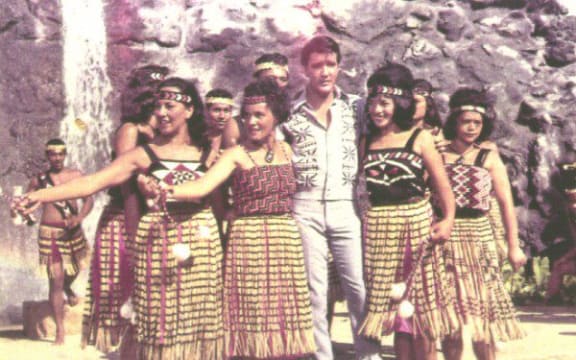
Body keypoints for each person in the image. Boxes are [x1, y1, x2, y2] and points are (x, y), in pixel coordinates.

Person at [12, 77, 225, 359]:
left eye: (169, 106)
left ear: (189, 111)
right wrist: (39, 196)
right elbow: (92, 183)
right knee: (157, 321)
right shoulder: (142, 155)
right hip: (158, 245)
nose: (161, 112)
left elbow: (220, 201)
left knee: (200, 323)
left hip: (202, 248)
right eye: (158, 106)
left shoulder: (206, 154)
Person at [163, 79, 315, 359]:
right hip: (248, 241)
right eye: (246, 115)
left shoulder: (290, 150)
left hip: (286, 241)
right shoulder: (235, 154)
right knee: (252, 314)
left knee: (285, 318)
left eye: (259, 115)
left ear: (277, 115)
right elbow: (202, 186)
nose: (251, 122)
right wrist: (167, 189)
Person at [279, 35, 381, 360]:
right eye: (317, 65)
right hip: (304, 206)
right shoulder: (289, 112)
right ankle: (321, 356)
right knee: (314, 289)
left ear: (339, 66)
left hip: (345, 204)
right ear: (304, 69)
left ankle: (368, 353)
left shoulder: (356, 106)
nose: (325, 72)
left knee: (358, 286)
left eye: (331, 65)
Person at [358, 64, 457, 360]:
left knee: (422, 309)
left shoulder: (420, 138)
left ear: (399, 104)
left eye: (384, 103)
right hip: (380, 232)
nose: (377, 109)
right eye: (373, 102)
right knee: (395, 309)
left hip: (417, 227)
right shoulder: (367, 142)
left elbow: (442, 186)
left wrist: (448, 218)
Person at [81, 64, 168, 354]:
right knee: (124, 302)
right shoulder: (131, 130)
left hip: (156, 218)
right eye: (158, 93)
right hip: (125, 218)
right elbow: (126, 183)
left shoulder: (167, 133)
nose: (163, 99)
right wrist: (134, 230)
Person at [439, 88, 526, 360]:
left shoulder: (489, 156)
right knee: (450, 319)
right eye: (466, 121)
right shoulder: (438, 154)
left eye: (477, 123)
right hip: (446, 240)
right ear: (454, 121)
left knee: (482, 318)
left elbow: (505, 205)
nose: (471, 128)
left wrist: (514, 247)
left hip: (480, 238)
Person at [23, 138, 94, 345]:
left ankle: (68, 288)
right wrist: (23, 214)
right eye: (52, 154)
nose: (57, 158)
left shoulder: (76, 176)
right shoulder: (39, 180)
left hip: (74, 231)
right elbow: (28, 205)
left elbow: (89, 200)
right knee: (56, 279)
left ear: (65, 154)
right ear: (47, 156)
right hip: (50, 234)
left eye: (60, 154)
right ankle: (60, 331)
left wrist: (78, 218)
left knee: (76, 269)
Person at [223, 52, 290, 149]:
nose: (277, 84)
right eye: (271, 79)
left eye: (283, 79)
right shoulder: (237, 125)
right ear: (257, 79)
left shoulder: (294, 118)